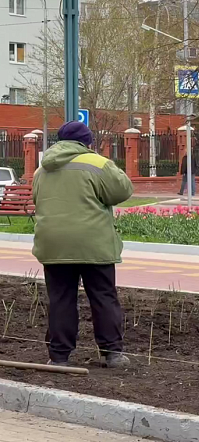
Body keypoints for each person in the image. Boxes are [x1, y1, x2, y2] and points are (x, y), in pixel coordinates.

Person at [32, 121, 133, 368]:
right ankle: (112, 353)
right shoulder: (97, 163)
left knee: (61, 299)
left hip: (54, 245)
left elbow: (37, 198)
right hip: (93, 244)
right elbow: (123, 191)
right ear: (87, 142)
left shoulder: (42, 169)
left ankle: (59, 357)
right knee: (103, 296)